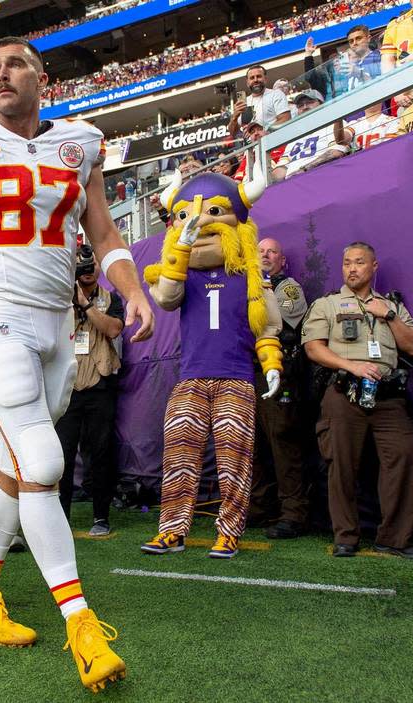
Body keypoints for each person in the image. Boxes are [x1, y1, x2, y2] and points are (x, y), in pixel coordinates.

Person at [0, 37, 154, 692]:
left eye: (15, 64)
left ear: (45, 77)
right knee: (43, 463)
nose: (1, 74)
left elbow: (103, 233)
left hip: (56, 324)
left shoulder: (81, 144)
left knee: (16, 471)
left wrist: (131, 291)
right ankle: (82, 623)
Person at [141, 171, 283, 559]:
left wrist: (272, 362)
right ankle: (172, 531)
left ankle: (229, 532)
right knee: (179, 452)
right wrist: (181, 252)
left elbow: (269, 325)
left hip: (235, 377)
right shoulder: (179, 273)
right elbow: (167, 299)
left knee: (234, 457)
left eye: (213, 213)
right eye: (187, 217)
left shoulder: (251, 274)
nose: (199, 223)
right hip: (191, 378)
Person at [302, 242, 413, 559]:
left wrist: (388, 316)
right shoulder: (327, 305)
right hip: (345, 391)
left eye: (359, 262)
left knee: (403, 456)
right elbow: (313, 348)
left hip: (387, 396)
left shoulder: (391, 306)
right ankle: (345, 536)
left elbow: (412, 346)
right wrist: (350, 365)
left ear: (374, 266)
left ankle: (395, 537)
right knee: (341, 464)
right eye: (346, 263)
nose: (352, 268)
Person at [55, 245, 123, 537]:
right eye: (81, 265)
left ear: (99, 268)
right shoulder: (58, 299)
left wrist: (85, 305)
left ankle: (101, 516)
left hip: (100, 385)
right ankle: (61, 518)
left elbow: (113, 329)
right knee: (63, 456)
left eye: (92, 263)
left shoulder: (111, 298)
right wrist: (70, 300)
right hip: (68, 387)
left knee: (101, 453)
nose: (87, 269)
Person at [252, 238, 310, 539]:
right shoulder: (248, 286)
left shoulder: (287, 288)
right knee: (254, 443)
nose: (265, 255)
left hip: (278, 370)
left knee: (283, 440)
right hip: (250, 370)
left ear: (282, 261)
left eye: (272, 251)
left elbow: (277, 324)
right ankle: (260, 507)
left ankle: (293, 513)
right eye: (260, 251)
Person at [271, 90, 354, 181]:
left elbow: (337, 152)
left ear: (322, 105)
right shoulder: (294, 138)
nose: (305, 107)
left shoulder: (333, 125)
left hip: (322, 177)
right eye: (300, 105)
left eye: (310, 102)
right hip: (293, 184)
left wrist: (305, 169)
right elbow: (280, 170)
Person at [303, 26, 382, 100]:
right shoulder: (350, 68)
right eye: (351, 41)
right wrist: (308, 54)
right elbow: (311, 79)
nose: (354, 43)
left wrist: (359, 73)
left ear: (369, 38)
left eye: (358, 38)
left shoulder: (380, 57)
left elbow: (382, 85)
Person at [229, 65, 292, 137]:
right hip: (251, 146)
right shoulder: (244, 102)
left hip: (274, 142)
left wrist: (262, 131)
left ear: (265, 79)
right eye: (252, 78)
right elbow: (232, 133)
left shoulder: (276, 94)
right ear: (247, 82)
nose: (255, 80)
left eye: (259, 76)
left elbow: (286, 119)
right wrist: (234, 117)